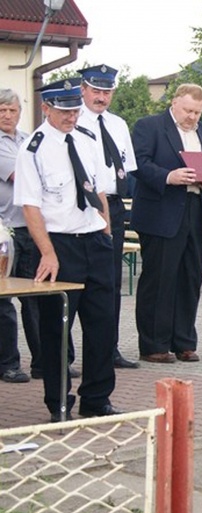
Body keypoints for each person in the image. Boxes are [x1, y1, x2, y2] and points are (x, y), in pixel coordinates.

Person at [14, 78, 119, 421]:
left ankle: (97, 399)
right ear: (46, 108)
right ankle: (58, 403)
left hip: (94, 241)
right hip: (58, 244)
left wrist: (106, 230)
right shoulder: (34, 148)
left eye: (75, 110)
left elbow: (99, 190)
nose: (71, 117)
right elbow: (30, 207)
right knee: (57, 328)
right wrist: (47, 252)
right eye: (64, 111)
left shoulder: (87, 139)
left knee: (103, 324)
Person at [130, 83, 202, 364]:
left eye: (198, 112)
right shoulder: (149, 126)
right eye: (188, 110)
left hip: (196, 210)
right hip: (162, 211)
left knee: (190, 277)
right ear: (174, 103)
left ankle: (184, 341)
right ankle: (154, 344)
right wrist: (169, 176)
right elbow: (139, 164)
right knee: (160, 279)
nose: (193, 117)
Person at [77, 64, 140, 369]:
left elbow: (126, 168)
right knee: (76, 282)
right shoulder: (72, 120)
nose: (101, 97)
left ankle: (108, 348)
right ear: (83, 90)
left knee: (110, 282)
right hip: (82, 205)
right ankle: (65, 355)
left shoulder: (117, 124)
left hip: (113, 205)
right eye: (96, 90)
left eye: (107, 91)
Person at [0, 88, 31, 383]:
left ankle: (45, 362)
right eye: (2, 111)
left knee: (35, 298)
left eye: (12, 110)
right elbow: (21, 176)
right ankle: (9, 363)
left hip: (30, 227)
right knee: (3, 301)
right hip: (4, 232)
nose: (8, 115)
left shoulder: (27, 139)